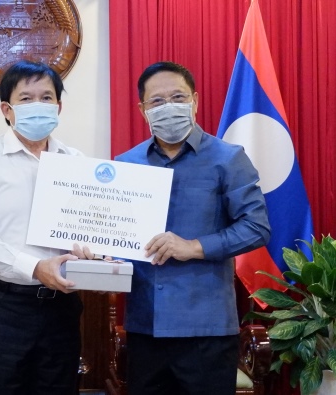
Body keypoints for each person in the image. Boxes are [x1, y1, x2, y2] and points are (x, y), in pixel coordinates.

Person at [114, 61, 271, 395]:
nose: (168, 107)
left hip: (207, 329)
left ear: (195, 101)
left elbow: (257, 227)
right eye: (157, 101)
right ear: (142, 110)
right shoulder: (126, 164)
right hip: (146, 327)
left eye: (177, 97)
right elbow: (118, 235)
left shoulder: (228, 158)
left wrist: (193, 247)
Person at [0, 60, 93, 395]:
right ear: (7, 108)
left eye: (46, 98)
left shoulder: (76, 162)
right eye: (27, 98)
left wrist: (95, 253)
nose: (38, 106)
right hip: (1, 307)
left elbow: (85, 231)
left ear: (58, 107)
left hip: (61, 306)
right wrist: (35, 268)